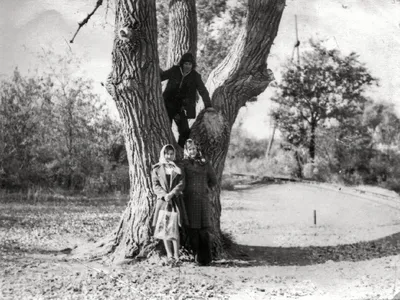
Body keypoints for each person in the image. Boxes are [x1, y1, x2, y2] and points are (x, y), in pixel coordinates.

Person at [161, 53, 212, 147]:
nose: (187, 66)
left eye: (190, 64)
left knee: (185, 132)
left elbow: (203, 91)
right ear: (182, 64)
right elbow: (161, 76)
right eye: (186, 64)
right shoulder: (175, 70)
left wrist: (208, 105)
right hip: (168, 104)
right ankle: (166, 150)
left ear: (192, 65)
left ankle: (179, 149)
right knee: (165, 128)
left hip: (181, 108)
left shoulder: (195, 76)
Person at [181, 139, 218, 266]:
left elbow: (213, 180)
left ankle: (206, 258)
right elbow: (181, 181)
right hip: (189, 200)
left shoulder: (204, 163)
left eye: (194, 149)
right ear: (186, 150)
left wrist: (204, 189)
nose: (192, 151)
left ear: (198, 150)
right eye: (190, 149)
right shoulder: (183, 163)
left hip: (203, 200)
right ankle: (196, 257)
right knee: (193, 229)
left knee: (204, 229)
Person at [152, 144, 188, 264]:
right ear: (163, 154)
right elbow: (155, 185)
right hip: (163, 202)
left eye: (171, 154)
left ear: (174, 155)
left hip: (175, 200)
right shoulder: (157, 168)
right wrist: (164, 195)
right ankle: (169, 255)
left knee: (174, 228)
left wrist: (172, 194)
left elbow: (182, 183)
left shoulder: (177, 168)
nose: (169, 156)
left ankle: (177, 256)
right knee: (165, 229)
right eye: (166, 153)